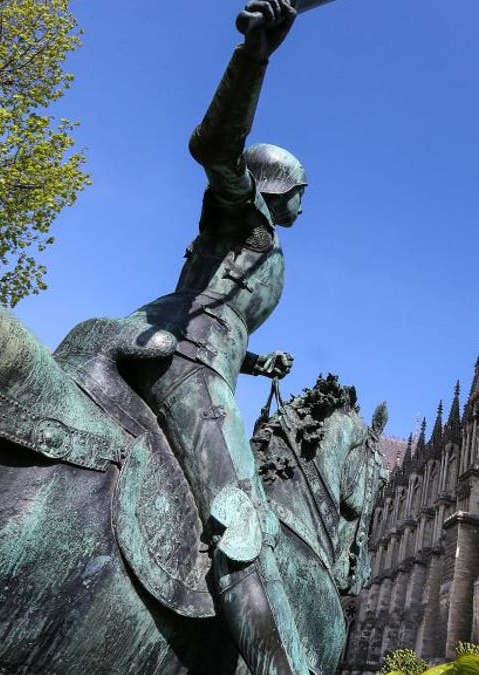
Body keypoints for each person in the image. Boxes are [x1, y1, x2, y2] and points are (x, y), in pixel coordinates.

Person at [129, 1, 314, 672]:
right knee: (245, 524)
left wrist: (259, 361)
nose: (305, 201)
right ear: (276, 186)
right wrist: (255, 55)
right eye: (300, 188)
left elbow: (216, 311)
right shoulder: (243, 212)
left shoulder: (249, 240)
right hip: (188, 361)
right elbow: (212, 145)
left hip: (197, 349)